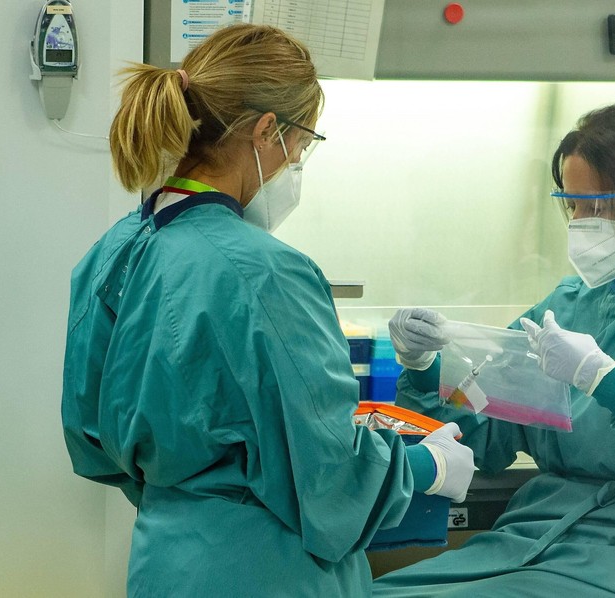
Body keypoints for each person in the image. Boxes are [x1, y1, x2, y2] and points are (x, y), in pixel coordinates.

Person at [60, 23, 474, 597]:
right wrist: (428, 468)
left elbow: (91, 440)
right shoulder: (268, 271)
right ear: (266, 131)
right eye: (303, 145)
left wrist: (195, 493)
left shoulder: (113, 252)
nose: (298, 163)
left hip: (167, 561)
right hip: (268, 567)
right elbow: (332, 471)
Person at [373, 103, 615, 597]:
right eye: (572, 204)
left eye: (596, 207)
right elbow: (484, 433)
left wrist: (606, 380)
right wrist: (425, 368)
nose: (579, 222)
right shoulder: (569, 305)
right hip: (545, 532)